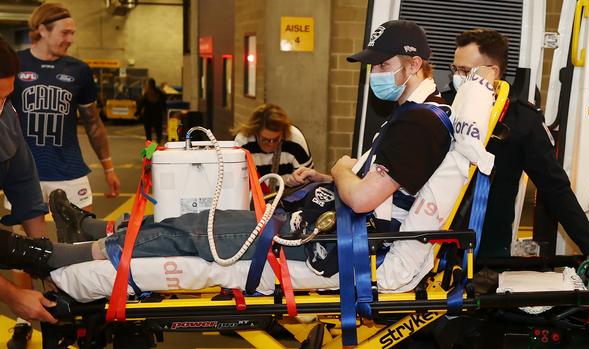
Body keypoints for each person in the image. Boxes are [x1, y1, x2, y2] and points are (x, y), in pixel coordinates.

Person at [0, 20, 453, 293]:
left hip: (335, 244)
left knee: (202, 227)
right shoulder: (413, 118)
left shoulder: (420, 123)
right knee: (203, 219)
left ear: (414, 66)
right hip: (326, 226)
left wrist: (340, 168)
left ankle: (57, 254)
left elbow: (362, 198)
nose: (374, 74)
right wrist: (325, 178)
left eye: (381, 65)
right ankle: (92, 230)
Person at [441, 28, 589, 263]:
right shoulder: (442, 107)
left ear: (493, 72)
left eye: (465, 71)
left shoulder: (522, 121)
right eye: (455, 69)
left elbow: (555, 188)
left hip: (487, 252)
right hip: (431, 242)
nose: (457, 77)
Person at [8, 3, 121, 215]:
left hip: (70, 170)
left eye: (73, 33)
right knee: (26, 245)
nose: (70, 39)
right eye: (65, 32)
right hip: (23, 171)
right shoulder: (15, 64)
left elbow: (93, 123)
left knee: (81, 239)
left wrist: (109, 169)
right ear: (42, 30)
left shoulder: (80, 70)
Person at [0, 36, 58, 348]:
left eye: (4, 98)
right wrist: (11, 294)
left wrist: (46, 261)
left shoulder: (5, 119)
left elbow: (24, 189)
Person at [233, 104, 314, 189]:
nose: (270, 144)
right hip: (253, 198)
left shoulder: (294, 138)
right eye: (264, 139)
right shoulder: (243, 142)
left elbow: (308, 182)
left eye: (275, 139)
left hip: (289, 197)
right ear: (255, 132)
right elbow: (236, 183)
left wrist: (299, 180)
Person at [136, 78, 166, 143]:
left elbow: (141, 104)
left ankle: (149, 151)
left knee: (148, 136)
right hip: (157, 116)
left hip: (147, 117)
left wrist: (137, 113)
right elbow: (164, 103)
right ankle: (157, 148)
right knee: (158, 135)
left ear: (149, 84)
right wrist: (165, 112)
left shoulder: (146, 93)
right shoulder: (159, 92)